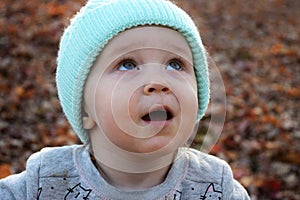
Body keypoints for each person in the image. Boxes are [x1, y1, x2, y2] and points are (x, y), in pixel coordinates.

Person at [0, 0, 250, 199]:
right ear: (85, 110)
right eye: (127, 64)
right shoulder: (45, 183)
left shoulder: (216, 188)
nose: (158, 81)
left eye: (175, 64)